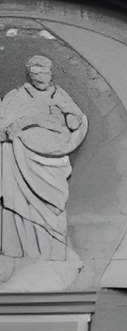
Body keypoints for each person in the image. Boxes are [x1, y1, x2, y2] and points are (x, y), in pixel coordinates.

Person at [0, 54, 86, 260]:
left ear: (50, 73)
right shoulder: (17, 96)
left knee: (53, 206)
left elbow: (75, 121)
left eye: (44, 73)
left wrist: (70, 117)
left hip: (53, 159)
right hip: (22, 161)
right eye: (35, 74)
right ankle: (23, 252)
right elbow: (3, 127)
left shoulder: (60, 94)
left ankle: (52, 253)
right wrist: (22, 125)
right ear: (29, 75)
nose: (40, 78)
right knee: (22, 207)